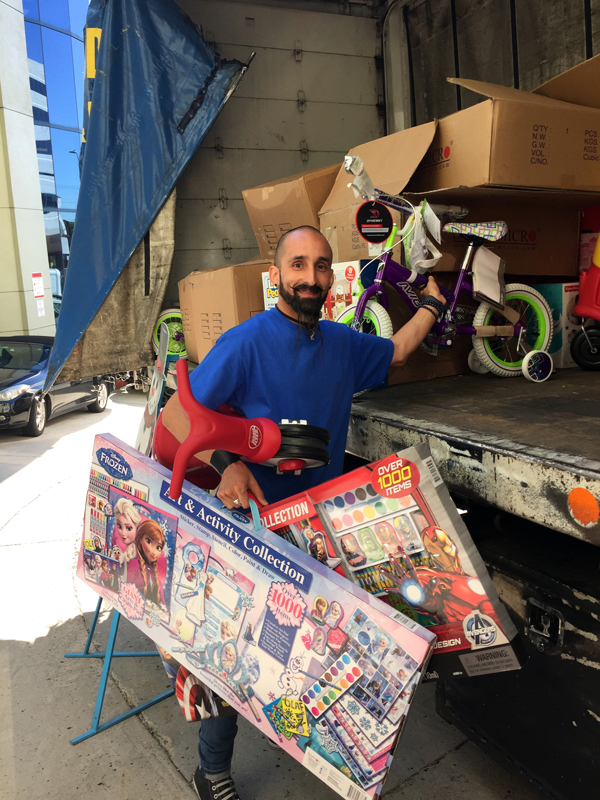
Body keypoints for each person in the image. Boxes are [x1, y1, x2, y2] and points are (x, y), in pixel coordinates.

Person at [159, 225, 446, 800]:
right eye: (298, 265)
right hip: (254, 528)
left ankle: (338, 757)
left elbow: (399, 350)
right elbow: (175, 417)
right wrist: (228, 464)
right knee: (231, 652)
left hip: (322, 526)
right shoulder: (244, 343)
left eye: (321, 267)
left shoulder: (342, 344)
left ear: (332, 279)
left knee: (331, 652)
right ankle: (212, 769)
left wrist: (436, 303)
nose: (310, 278)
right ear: (276, 274)